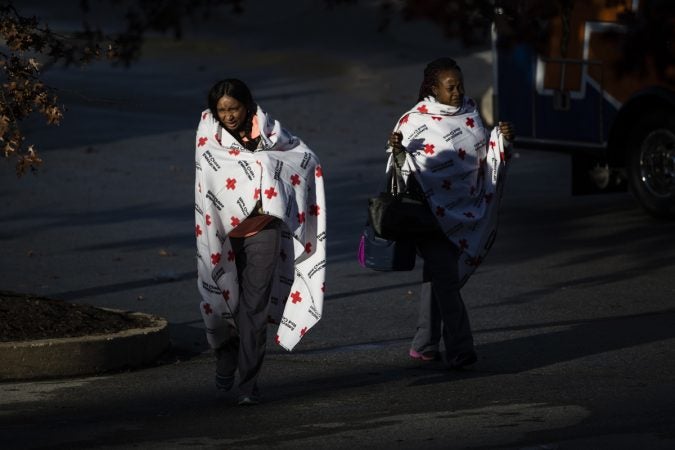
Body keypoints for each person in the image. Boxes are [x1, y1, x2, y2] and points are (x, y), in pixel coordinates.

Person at [194, 79, 327, 405]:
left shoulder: (271, 135)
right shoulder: (208, 139)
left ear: (247, 105)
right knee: (226, 307)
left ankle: (248, 384)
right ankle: (226, 353)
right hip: (223, 236)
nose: (228, 116)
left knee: (254, 309)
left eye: (234, 108)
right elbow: (207, 184)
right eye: (222, 110)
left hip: (264, 231)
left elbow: (305, 159)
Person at [386, 58, 514, 369]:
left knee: (437, 277)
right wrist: (399, 151)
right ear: (433, 89)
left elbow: (483, 160)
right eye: (450, 87)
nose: (457, 92)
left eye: (460, 86)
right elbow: (398, 171)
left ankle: (425, 344)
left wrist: (501, 140)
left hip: (464, 212)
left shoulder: (470, 113)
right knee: (446, 278)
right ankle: (460, 348)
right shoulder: (413, 121)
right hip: (427, 215)